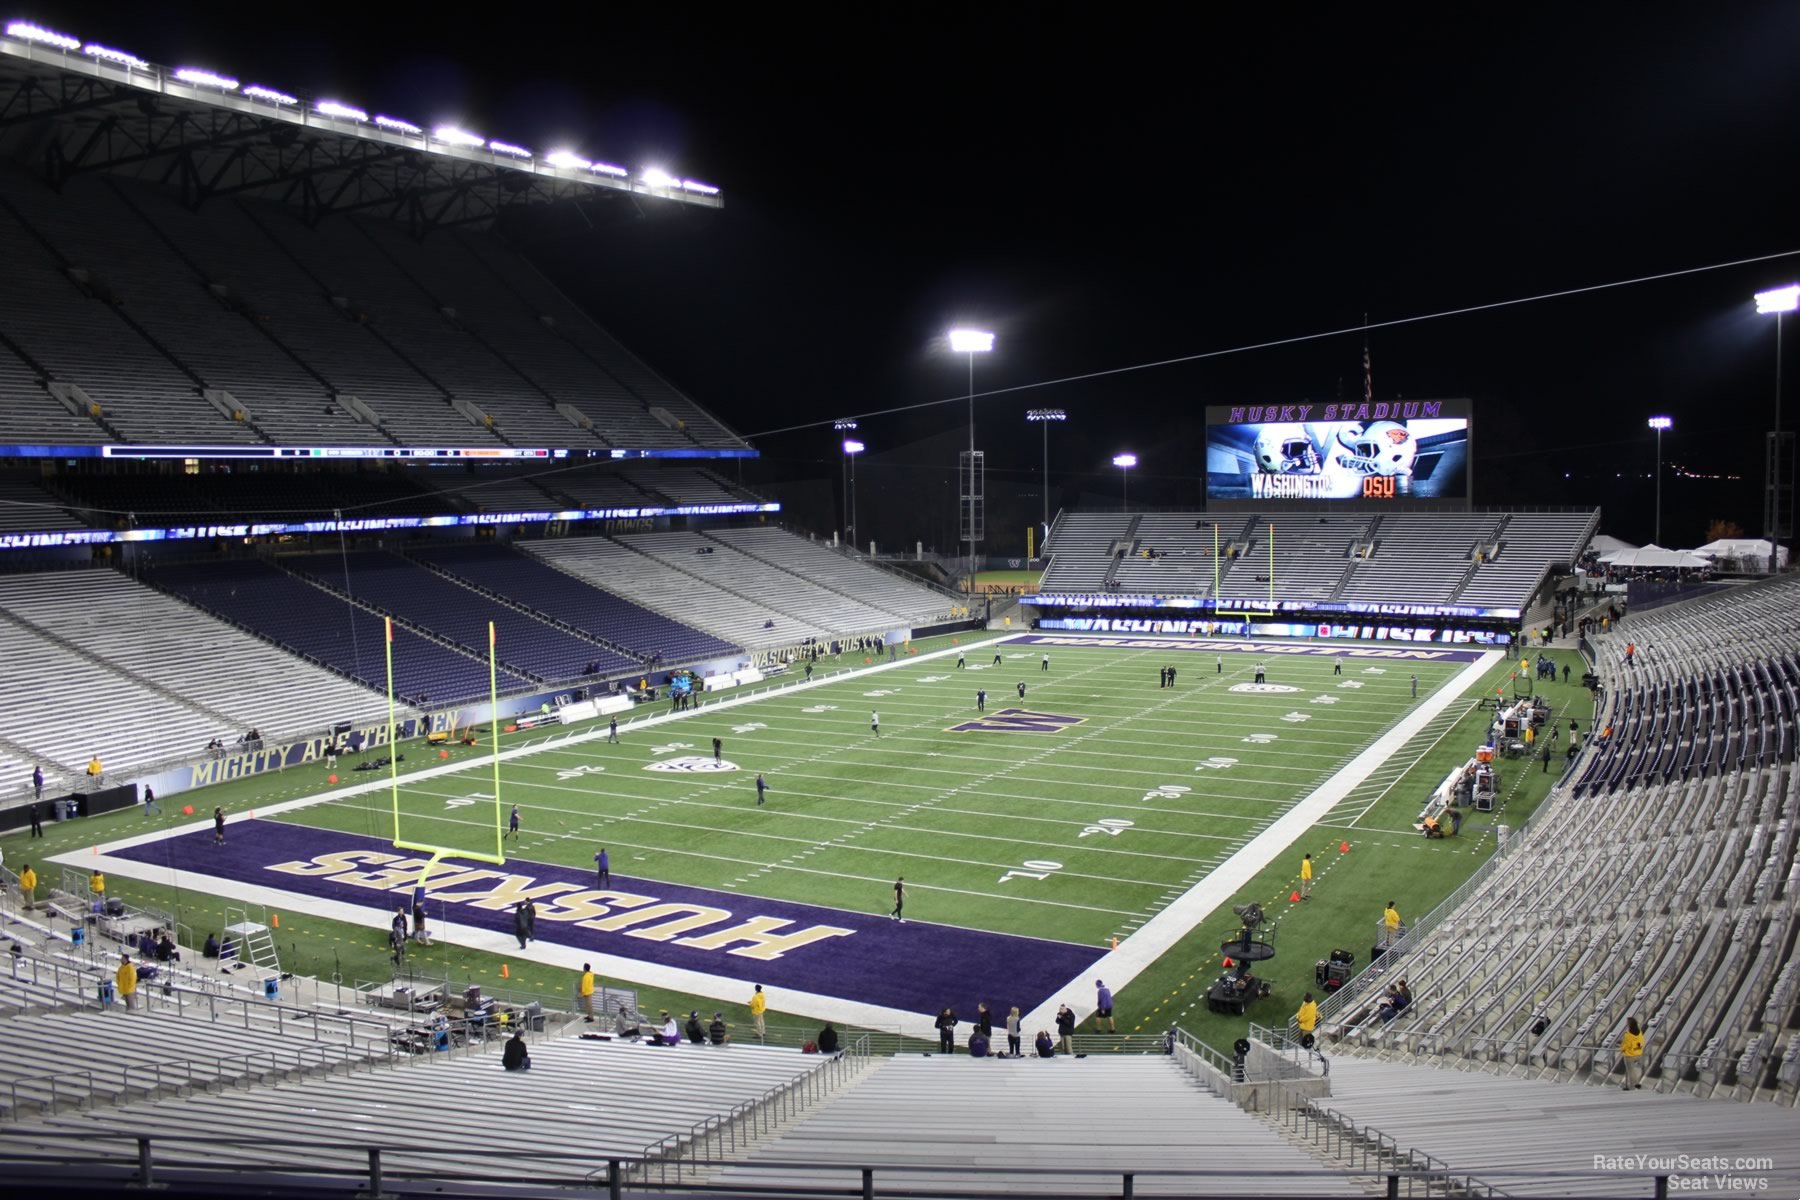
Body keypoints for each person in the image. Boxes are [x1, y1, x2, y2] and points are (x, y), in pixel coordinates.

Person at [1619, 1017, 1646, 1089]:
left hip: (1629, 1055)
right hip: (1638, 1053)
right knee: (1632, 1070)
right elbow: (1642, 1041)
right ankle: (1634, 1085)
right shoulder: (1639, 1032)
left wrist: (1622, 1049)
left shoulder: (1628, 1035)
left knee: (1630, 1071)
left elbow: (1626, 1045)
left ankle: (1634, 1085)